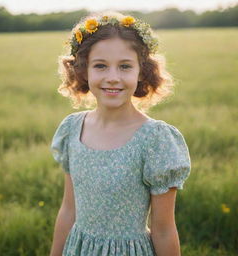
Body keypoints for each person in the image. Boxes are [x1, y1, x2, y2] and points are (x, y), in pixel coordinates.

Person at [49, 10, 191, 256]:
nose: (112, 77)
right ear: (84, 70)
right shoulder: (72, 129)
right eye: (100, 66)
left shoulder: (155, 139)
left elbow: (164, 230)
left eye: (125, 66)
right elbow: (68, 210)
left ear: (141, 72)